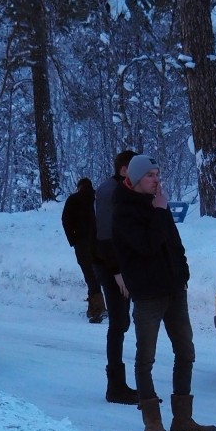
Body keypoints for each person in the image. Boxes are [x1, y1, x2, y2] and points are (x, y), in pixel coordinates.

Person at [111, 154, 216, 431]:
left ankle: (182, 418)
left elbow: (173, 243)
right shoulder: (124, 211)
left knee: (186, 352)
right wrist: (159, 212)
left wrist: (182, 273)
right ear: (135, 179)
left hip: (174, 290)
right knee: (146, 357)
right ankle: (152, 422)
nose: (156, 180)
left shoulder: (158, 205)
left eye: (157, 174)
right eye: (150, 175)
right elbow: (146, 246)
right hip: (148, 295)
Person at [91, 151, 139, 405]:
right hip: (110, 266)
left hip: (119, 265)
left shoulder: (122, 190)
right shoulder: (110, 191)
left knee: (122, 322)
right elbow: (105, 236)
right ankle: (116, 386)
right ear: (123, 170)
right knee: (118, 322)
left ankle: (119, 385)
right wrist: (118, 272)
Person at [61, 177, 105, 322]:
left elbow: (65, 220)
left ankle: (98, 309)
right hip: (100, 242)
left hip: (82, 243)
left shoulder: (73, 199)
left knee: (89, 275)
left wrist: (72, 239)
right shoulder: (98, 198)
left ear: (79, 187)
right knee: (95, 274)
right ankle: (92, 308)